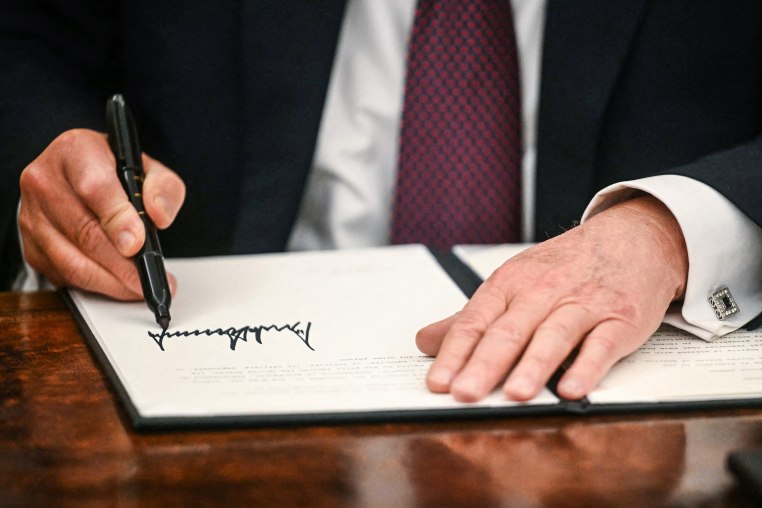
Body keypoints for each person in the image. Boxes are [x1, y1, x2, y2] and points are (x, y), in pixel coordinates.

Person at [1, 1, 761, 404]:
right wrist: (57, 156)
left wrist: (674, 229)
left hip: (633, 390)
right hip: (206, 352)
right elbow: (30, 42)